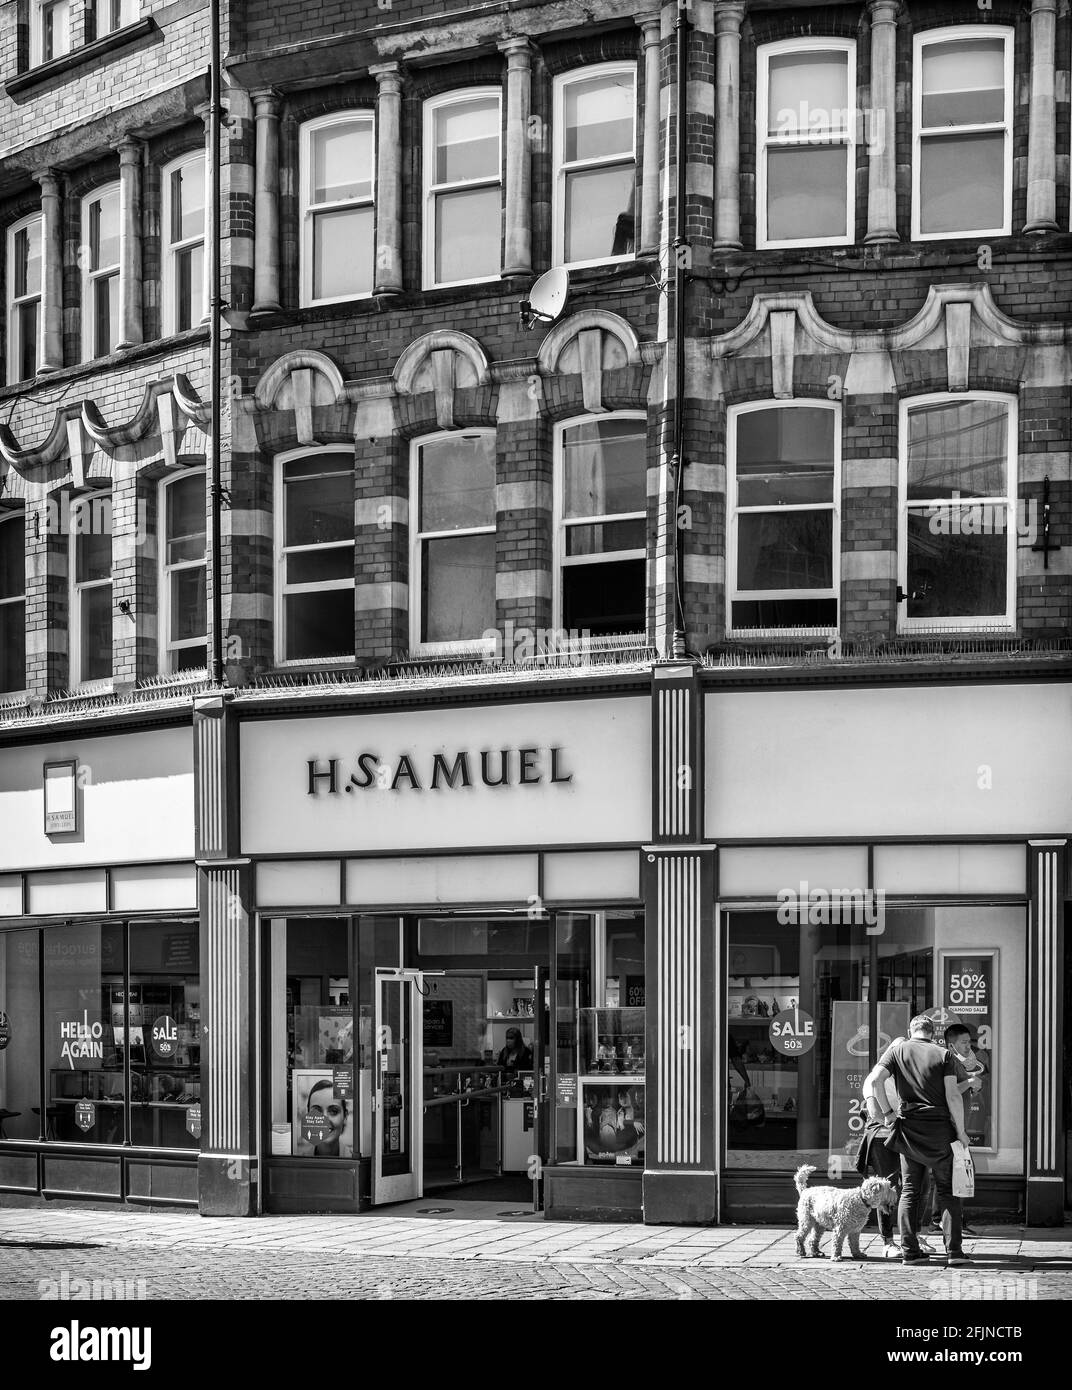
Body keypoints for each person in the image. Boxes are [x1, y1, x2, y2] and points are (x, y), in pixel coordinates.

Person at [863, 1014, 970, 1267]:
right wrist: (962, 1131)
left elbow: (875, 1080)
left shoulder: (897, 1051)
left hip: (909, 1128)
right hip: (940, 1129)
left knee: (909, 1190)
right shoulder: (944, 1054)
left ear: (911, 1031)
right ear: (932, 1033)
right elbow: (953, 1096)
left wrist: (888, 1113)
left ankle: (909, 1252)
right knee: (946, 1191)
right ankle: (954, 1253)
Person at [857, 1039, 933, 1258]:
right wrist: (893, 1119)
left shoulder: (909, 1075)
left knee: (921, 1185)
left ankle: (913, 1235)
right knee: (888, 1188)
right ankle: (888, 1241)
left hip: (910, 1135)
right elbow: (873, 1111)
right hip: (884, 1137)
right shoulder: (876, 1077)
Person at [304, 1078, 350, 1157]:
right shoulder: (299, 1164)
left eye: (333, 1111)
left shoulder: (356, 1162)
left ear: (345, 1117)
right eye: (317, 1112)